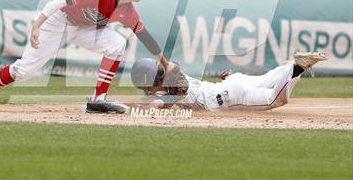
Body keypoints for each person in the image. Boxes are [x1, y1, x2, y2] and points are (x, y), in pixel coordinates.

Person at [0, 0, 175, 113]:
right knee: (23, 71)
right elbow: (59, 0)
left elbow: (145, 37)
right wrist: (37, 25)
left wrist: (166, 65)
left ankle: (98, 100)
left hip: (84, 28)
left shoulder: (128, 11)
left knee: (117, 44)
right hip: (59, 22)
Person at [130, 51, 328, 111]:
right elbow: (172, 71)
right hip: (229, 84)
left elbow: (158, 102)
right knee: (267, 78)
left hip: (230, 96)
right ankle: (290, 66)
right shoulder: (171, 72)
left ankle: (297, 67)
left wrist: (143, 107)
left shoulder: (164, 92)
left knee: (274, 99)